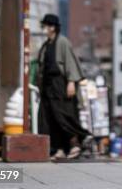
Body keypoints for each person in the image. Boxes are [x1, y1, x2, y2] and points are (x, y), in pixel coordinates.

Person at [36, 13, 90, 160]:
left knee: (64, 115)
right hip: (48, 86)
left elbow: (70, 62)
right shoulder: (46, 45)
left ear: (52, 27)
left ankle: (75, 145)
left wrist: (71, 82)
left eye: (46, 26)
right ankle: (59, 148)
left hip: (60, 84)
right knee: (50, 118)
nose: (44, 29)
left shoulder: (62, 42)